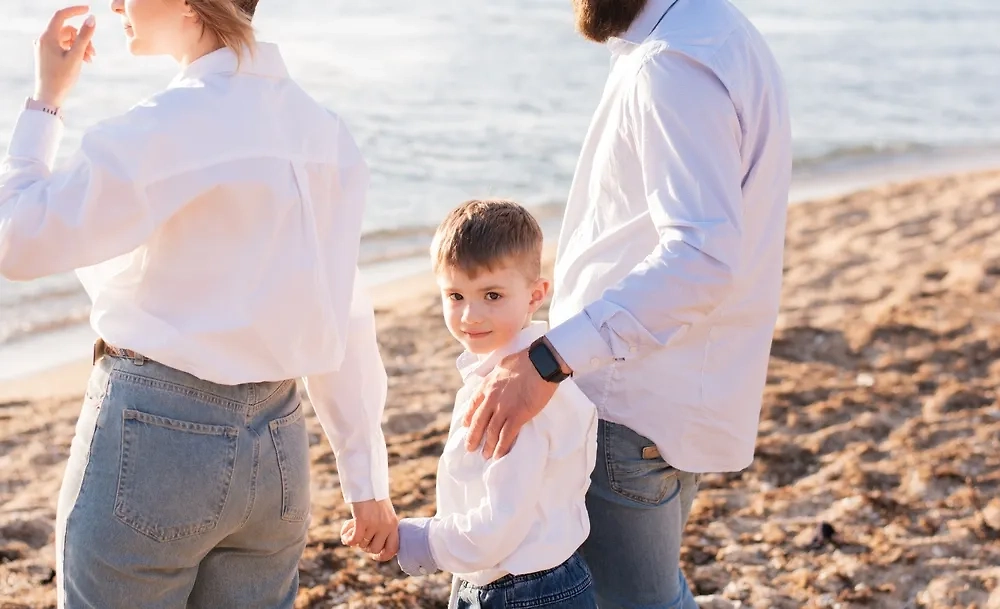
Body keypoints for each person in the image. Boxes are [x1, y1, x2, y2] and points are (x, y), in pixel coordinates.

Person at [0, 1, 397, 606]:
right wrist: (364, 478)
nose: (115, 4)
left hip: (155, 438)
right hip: (278, 443)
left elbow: (17, 240)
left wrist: (47, 99)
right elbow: (339, 310)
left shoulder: (164, 125)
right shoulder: (322, 132)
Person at [462, 0, 793, 607]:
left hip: (627, 402)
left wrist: (549, 360)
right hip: (663, 389)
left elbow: (702, 255)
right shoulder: (713, 34)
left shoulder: (673, 64)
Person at [344, 199, 598, 609]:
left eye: (492, 295)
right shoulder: (522, 374)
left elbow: (499, 526)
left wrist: (416, 540)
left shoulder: (518, 400)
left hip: (522, 592)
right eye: (456, 295)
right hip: (529, 580)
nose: (469, 315)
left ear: (536, 294)